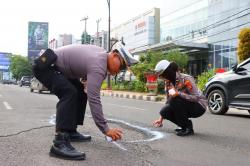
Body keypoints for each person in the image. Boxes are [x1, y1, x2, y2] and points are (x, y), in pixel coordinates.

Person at [32, 42, 138, 160]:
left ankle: (71, 131)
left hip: (55, 67)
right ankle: (59, 143)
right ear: (114, 55)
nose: (120, 71)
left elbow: (80, 65)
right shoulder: (99, 64)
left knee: (80, 92)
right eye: (122, 66)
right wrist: (106, 129)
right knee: (69, 93)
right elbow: (94, 99)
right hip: (45, 66)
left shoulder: (101, 56)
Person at [153, 60, 207, 136]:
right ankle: (184, 125)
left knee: (175, 99)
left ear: (167, 72)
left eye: (162, 75)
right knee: (164, 111)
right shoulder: (168, 83)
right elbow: (168, 101)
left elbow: (196, 97)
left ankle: (188, 129)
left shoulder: (186, 79)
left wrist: (179, 94)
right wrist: (161, 119)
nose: (161, 78)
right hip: (183, 104)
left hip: (199, 106)